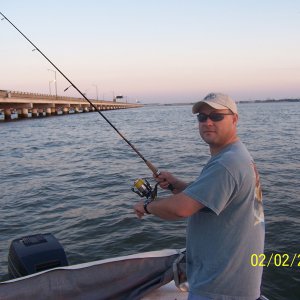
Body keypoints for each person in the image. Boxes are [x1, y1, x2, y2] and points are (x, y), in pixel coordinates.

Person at [133, 93, 265, 300]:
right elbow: (215, 197)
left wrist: (148, 205)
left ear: (235, 119)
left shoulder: (226, 164)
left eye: (216, 116)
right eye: (201, 117)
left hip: (221, 289)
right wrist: (178, 185)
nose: (207, 122)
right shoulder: (236, 155)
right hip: (234, 284)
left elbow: (181, 209)